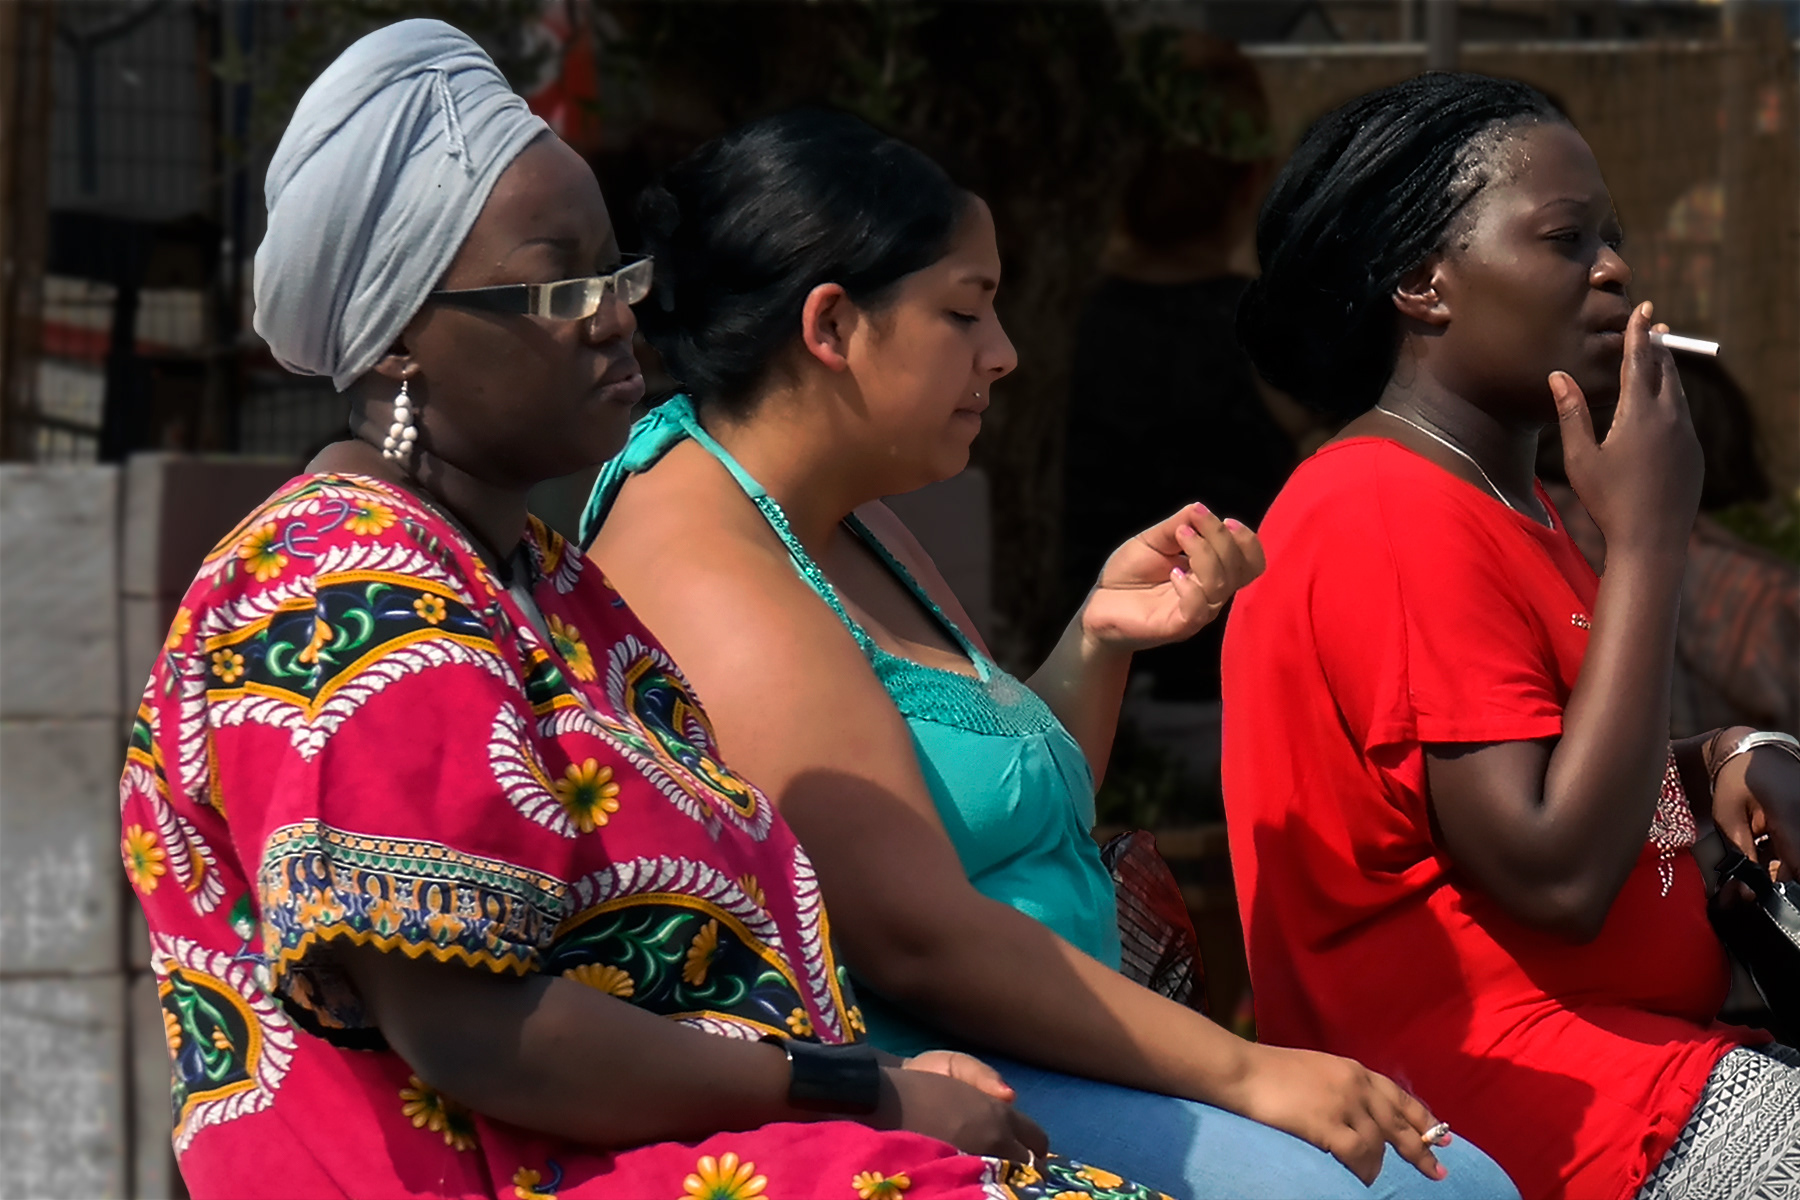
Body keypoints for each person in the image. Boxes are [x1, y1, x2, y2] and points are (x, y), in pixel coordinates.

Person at [119, 22, 1164, 1200]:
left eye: (616, 275)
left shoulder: (542, 580)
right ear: (406, 336)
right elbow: (473, 1034)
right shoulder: (342, 590)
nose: (614, 317)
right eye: (559, 284)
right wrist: (866, 1089)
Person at [577, 108, 1519, 1200]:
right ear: (832, 326)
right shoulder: (707, 561)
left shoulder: (845, 507)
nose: (1004, 352)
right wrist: (1249, 1073)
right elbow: (915, 936)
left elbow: (997, 824)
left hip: (1043, 1054)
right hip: (931, 1094)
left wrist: (1098, 639)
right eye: (964, 310)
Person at [1221, 72, 1800, 1200]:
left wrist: (1718, 762)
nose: (1615, 270)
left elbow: (1553, 781)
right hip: (1515, 1106)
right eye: (1564, 238)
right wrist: (1649, 543)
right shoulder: (1386, 511)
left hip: (1630, 1065)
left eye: (1614, 237)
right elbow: (1553, 871)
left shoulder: (1510, 512)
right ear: (1421, 283)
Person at [1060, 33, 1324, 708]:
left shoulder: (1039, 330)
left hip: (1067, 680)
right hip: (1233, 692)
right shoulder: (1274, 337)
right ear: (1250, 179)